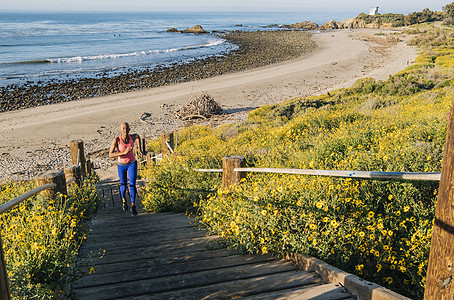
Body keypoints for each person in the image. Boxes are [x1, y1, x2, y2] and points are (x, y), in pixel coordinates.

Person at [109, 122, 143, 216]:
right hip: (121, 165)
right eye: (123, 128)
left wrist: (139, 149)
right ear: (120, 130)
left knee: (132, 184)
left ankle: (133, 205)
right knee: (123, 185)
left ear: (129, 129)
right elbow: (110, 154)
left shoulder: (132, 137)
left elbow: (137, 136)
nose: (125, 130)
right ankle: (124, 201)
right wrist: (123, 153)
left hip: (132, 163)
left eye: (127, 128)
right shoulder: (117, 140)